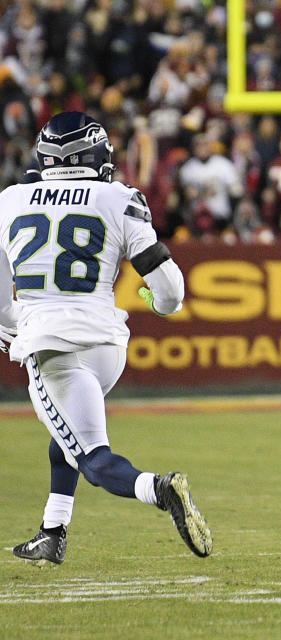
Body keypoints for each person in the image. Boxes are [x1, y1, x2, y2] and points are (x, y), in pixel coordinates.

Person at [0, 112, 212, 565]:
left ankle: (158, 488)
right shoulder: (120, 196)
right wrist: (159, 306)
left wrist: (14, 332)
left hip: (53, 345)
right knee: (68, 436)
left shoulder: (10, 200)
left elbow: (1, 302)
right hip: (108, 346)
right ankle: (51, 532)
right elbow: (171, 292)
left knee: (93, 458)